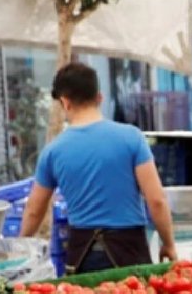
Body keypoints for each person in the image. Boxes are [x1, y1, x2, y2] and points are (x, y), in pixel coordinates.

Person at [21, 62, 177, 273]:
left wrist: (19, 247)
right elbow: (157, 201)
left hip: (82, 256)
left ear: (65, 103)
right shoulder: (131, 137)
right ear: (99, 98)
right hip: (130, 252)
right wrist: (168, 243)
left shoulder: (53, 151)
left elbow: (33, 211)